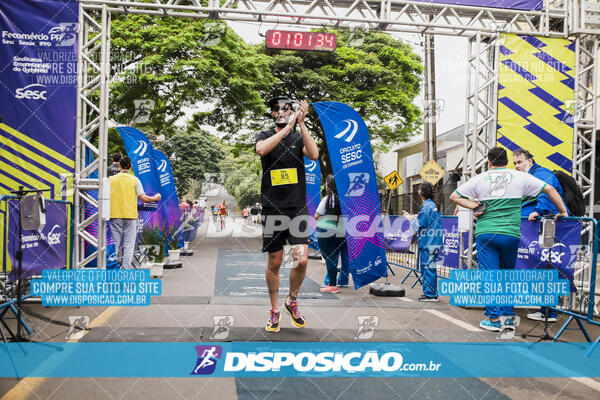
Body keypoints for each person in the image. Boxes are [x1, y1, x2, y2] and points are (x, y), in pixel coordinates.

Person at [450, 147, 568, 332]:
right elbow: (550, 189)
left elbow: (454, 196)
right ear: (506, 161)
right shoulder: (519, 176)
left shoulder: (480, 178)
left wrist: (474, 205)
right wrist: (562, 211)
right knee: (507, 276)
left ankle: (494, 319)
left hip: (486, 234)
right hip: (511, 235)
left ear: (489, 162)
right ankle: (508, 319)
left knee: (490, 276)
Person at [255, 95, 319, 333]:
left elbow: (313, 155)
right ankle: (274, 311)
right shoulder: (264, 136)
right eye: (276, 109)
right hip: (272, 208)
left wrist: (301, 125)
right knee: (275, 261)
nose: (281, 111)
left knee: (301, 259)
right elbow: (261, 150)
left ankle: (292, 300)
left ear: (292, 111)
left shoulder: (297, 136)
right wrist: (288, 127)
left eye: (286, 109)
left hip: (297, 208)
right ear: (272, 113)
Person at [513, 148, 569, 323]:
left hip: (549, 227)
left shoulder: (542, 173)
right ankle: (546, 309)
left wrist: (538, 211)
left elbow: (547, 191)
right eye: (514, 163)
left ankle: (550, 312)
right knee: (542, 267)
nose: (517, 166)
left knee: (548, 267)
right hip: (539, 228)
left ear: (530, 161)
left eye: (519, 162)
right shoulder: (528, 177)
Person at [109, 156, 161, 269]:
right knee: (129, 245)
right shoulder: (135, 180)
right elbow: (144, 199)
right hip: (130, 216)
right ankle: (126, 271)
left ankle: (112, 269)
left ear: (120, 166)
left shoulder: (111, 180)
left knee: (115, 245)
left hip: (114, 215)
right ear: (130, 166)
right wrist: (155, 197)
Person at [403, 182, 443, 301]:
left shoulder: (426, 207)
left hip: (428, 241)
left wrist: (409, 218)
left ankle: (431, 294)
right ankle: (432, 293)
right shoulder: (434, 205)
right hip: (434, 240)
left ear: (421, 193)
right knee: (430, 268)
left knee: (427, 268)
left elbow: (419, 225)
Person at [315, 174, 350, 293]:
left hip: (328, 231)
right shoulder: (345, 198)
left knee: (330, 257)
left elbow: (317, 216)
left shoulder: (327, 199)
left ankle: (332, 285)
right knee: (344, 256)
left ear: (328, 186)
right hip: (343, 231)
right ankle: (341, 281)